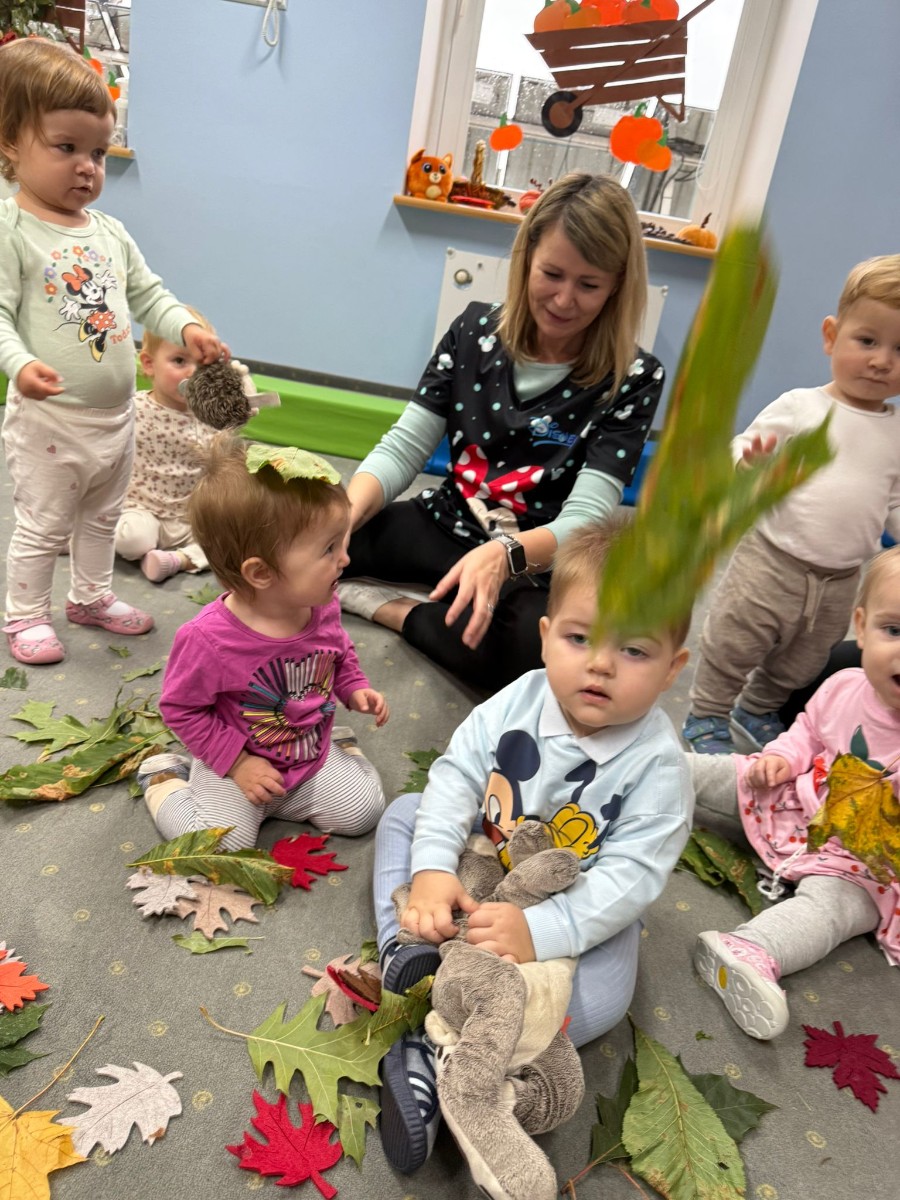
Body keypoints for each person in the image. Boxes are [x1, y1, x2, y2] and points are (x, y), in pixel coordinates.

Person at [371, 517, 693, 1173]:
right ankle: (410, 945)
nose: (600, 663)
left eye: (634, 651)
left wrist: (544, 932)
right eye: (579, 638)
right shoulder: (520, 697)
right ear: (546, 637)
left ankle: (445, 1056)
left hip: (569, 900)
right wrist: (431, 871)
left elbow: (630, 877)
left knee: (608, 997)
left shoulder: (659, 768)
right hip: (481, 864)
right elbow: (457, 774)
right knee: (405, 814)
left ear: (672, 670)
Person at [339, 173, 663, 693]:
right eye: (552, 274)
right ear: (526, 258)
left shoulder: (635, 378)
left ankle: (395, 611)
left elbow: (584, 521)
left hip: (533, 560)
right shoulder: (472, 330)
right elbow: (403, 448)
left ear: (617, 287)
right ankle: (429, 595)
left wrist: (505, 555)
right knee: (304, 539)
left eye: (589, 285)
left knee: (545, 653)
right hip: (444, 520)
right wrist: (343, 518)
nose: (564, 300)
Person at [0, 38, 227, 666]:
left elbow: (149, 295)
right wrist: (21, 364)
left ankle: (91, 597)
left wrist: (186, 328)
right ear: (11, 143)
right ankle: (24, 616)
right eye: (66, 147)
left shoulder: (110, 233)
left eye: (98, 152)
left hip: (115, 419)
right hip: (51, 421)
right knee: (45, 524)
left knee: (102, 518)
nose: (87, 167)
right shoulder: (13, 230)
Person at [683, 255, 900, 754]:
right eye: (867, 341)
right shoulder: (801, 406)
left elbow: (893, 501)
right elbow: (742, 450)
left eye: (899, 349)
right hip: (772, 561)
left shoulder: (894, 434)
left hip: (841, 578)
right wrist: (750, 463)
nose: (881, 360)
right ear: (832, 336)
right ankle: (707, 714)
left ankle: (758, 707)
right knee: (734, 642)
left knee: (804, 659)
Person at [136, 435, 389, 851]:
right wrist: (238, 763)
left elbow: (338, 651)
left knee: (364, 811)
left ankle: (338, 749)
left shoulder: (321, 601)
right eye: (328, 549)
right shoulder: (207, 639)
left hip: (308, 754)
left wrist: (354, 686)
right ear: (260, 573)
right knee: (221, 845)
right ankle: (163, 778)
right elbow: (180, 709)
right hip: (236, 767)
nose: (344, 559)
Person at [689, 545, 900, 1040]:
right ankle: (632, 770)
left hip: (862, 862)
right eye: (894, 630)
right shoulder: (845, 685)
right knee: (727, 773)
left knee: (832, 911)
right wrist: (782, 757)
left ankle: (751, 952)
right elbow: (808, 729)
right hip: (795, 801)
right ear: (862, 626)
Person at [114, 309, 219, 583]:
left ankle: (177, 561)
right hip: (141, 509)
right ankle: (86, 535)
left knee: (235, 539)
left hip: (190, 518)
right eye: (179, 361)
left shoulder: (210, 414)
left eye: (202, 364)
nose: (192, 373)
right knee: (133, 540)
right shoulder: (133, 408)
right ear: (149, 364)